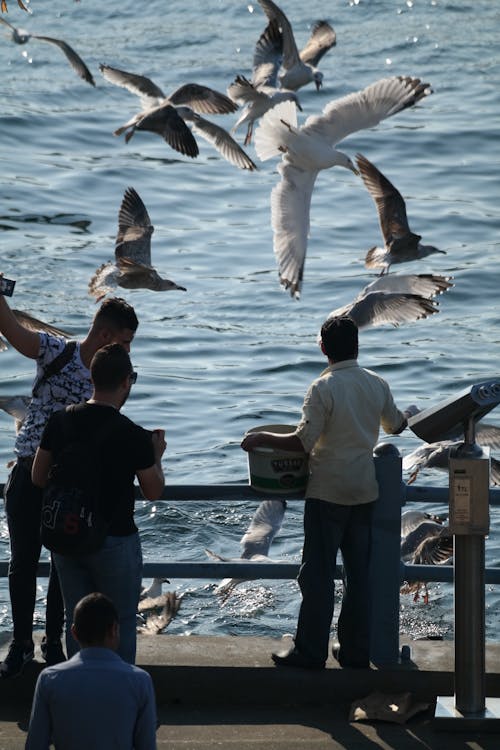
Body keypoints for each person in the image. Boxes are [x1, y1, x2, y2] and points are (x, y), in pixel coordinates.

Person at [241, 316, 409, 670]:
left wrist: (261, 439)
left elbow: (303, 441)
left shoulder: (323, 388)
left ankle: (310, 651)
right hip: (364, 491)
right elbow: (395, 425)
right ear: (357, 347)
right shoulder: (377, 383)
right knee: (358, 577)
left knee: (317, 575)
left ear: (322, 348)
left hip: (327, 492)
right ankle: (353, 652)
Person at [0, 282, 138, 679]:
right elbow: (12, 330)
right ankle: (22, 644)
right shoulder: (56, 350)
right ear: (108, 334)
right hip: (30, 469)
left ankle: (54, 642)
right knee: (23, 562)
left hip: (76, 481)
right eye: (126, 341)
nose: (128, 350)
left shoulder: (114, 375)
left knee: (67, 562)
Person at [31, 343, 166, 664]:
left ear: (92, 378)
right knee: (119, 624)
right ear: (125, 382)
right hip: (115, 540)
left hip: (67, 535)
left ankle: (78, 697)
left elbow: (37, 476)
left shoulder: (61, 421)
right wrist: (157, 457)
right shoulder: (133, 435)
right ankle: (119, 700)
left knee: (77, 623)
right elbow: (153, 491)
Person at [25, 592, 157, 750]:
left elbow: (35, 744)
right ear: (114, 629)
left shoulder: (49, 679)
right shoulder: (140, 681)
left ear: (73, 632)